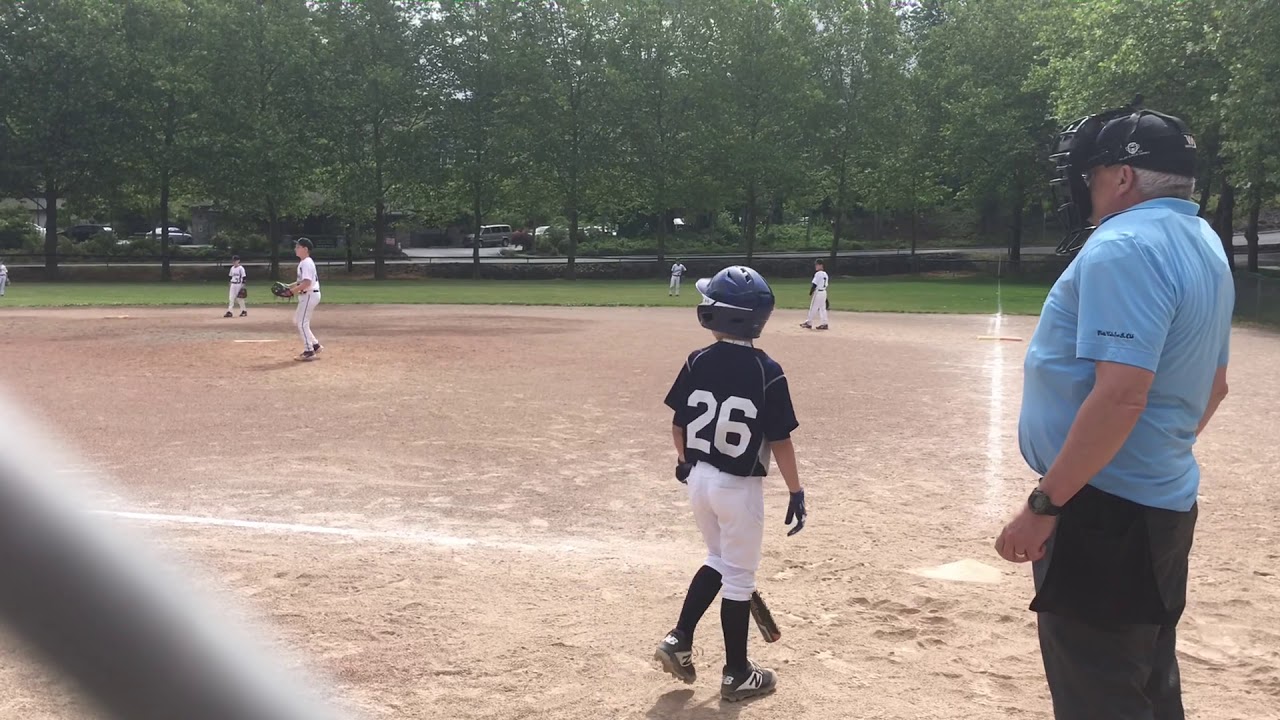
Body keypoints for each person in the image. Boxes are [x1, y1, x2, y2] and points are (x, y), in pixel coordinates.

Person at [995, 104, 1234, 720]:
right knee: (1147, 685)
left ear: (1124, 177)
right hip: (1159, 502)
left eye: (1094, 172)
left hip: (1103, 512)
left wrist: (1046, 503)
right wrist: (1153, 453)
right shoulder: (1202, 240)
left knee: (1098, 695)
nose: (1086, 186)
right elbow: (1216, 386)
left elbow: (1122, 394)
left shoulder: (1125, 243)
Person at [652, 265, 807, 703]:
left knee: (718, 559)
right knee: (738, 579)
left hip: (699, 480)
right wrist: (795, 491)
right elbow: (780, 439)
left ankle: (679, 638)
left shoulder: (696, 360)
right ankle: (737, 673)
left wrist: (684, 463)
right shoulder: (767, 370)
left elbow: (678, 424)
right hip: (738, 488)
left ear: (714, 317)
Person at [285, 238, 323, 361]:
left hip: (309, 294)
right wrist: (289, 286)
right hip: (309, 295)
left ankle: (309, 351)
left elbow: (307, 282)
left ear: (305, 249)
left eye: (298, 247)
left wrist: (291, 291)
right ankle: (315, 345)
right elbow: (302, 281)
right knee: (298, 320)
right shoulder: (305, 262)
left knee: (302, 322)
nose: (295, 249)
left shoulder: (306, 262)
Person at [799, 259, 828, 330]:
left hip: (818, 292)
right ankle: (824, 324)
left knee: (813, 308)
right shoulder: (825, 274)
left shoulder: (818, 274)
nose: (816, 266)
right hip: (824, 292)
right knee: (822, 309)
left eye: (817, 264)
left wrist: (810, 293)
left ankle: (808, 323)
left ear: (821, 265)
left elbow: (814, 285)